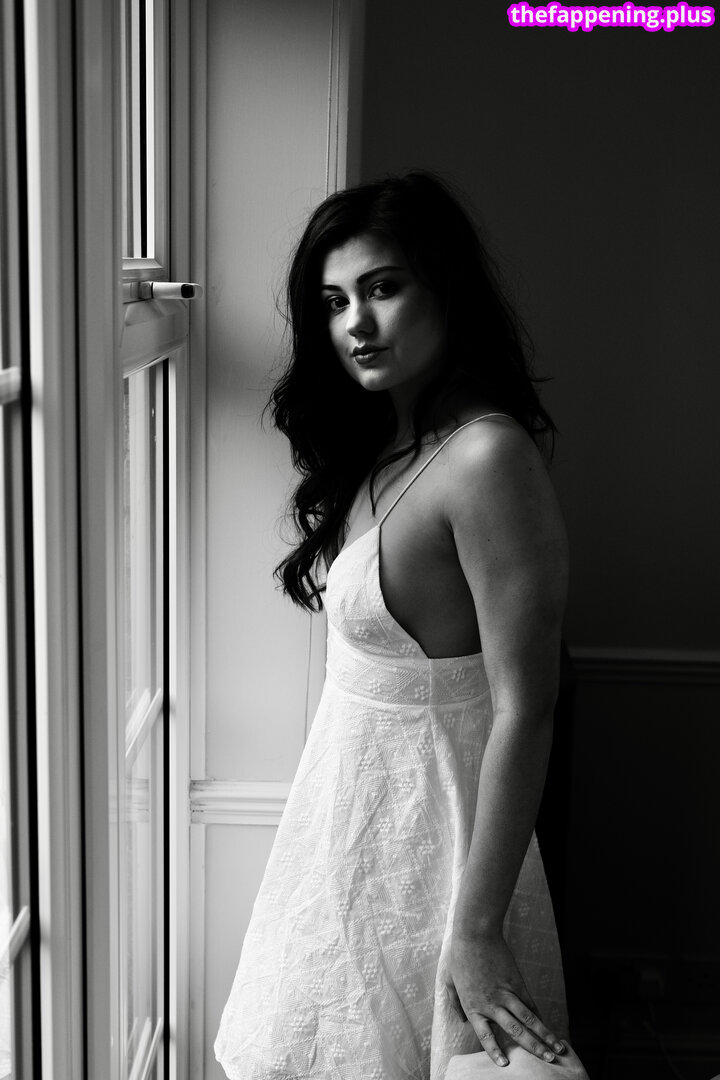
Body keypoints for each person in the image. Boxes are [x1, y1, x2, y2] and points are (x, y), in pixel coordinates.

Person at [215, 171, 569, 1080]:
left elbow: (526, 707)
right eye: (335, 302)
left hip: (440, 858)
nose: (356, 324)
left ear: (445, 287)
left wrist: (477, 930)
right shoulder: (389, 445)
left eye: (382, 287)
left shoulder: (486, 459)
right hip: (345, 835)